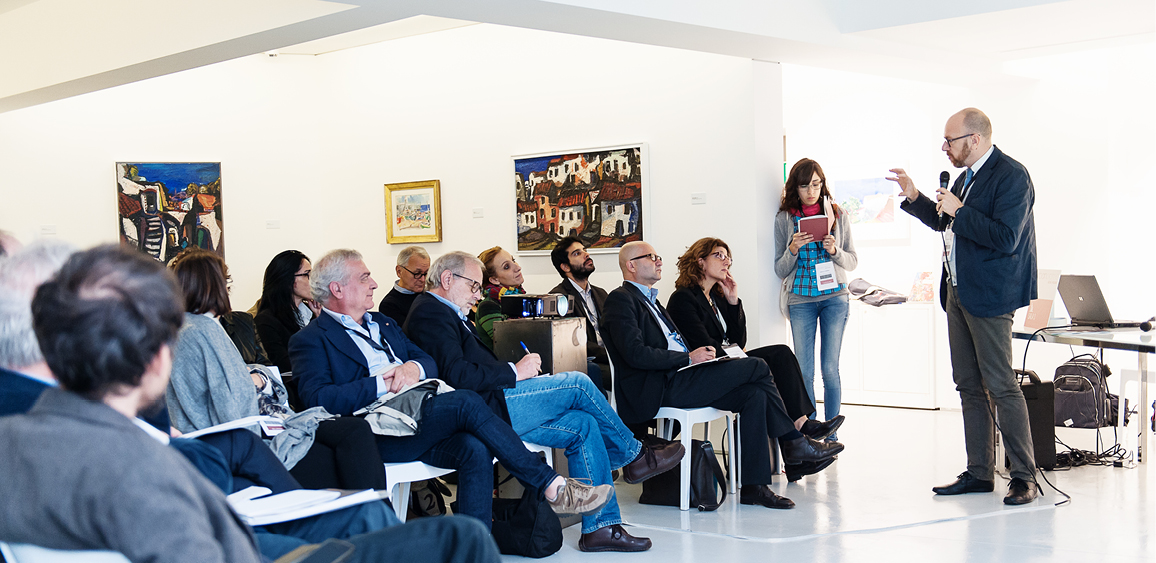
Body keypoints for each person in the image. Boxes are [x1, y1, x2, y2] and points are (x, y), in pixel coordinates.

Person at [0, 244, 503, 563]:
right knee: (462, 538)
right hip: (244, 541)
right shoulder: (133, 462)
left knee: (373, 514)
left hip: (231, 518)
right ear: (154, 358)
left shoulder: (19, 438)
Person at [288, 248, 615, 530]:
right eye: (364, 278)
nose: (374, 283)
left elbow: (428, 362)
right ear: (337, 288)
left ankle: (476, 549)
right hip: (379, 431)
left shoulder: (382, 323)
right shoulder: (310, 339)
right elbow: (318, 399)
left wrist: (412, 369)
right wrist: (380, 382)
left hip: (422, 413)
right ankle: (552, 485)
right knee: (468, 401)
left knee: (475, 448)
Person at [405, 250, 686, 552]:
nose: (478, 294)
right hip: (485, 410)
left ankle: (601, 527)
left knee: (584, 424)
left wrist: (517, 373)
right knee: (578, 383)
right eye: (474, 285)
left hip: (497, 403)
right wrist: (514, 371)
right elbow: (456, 374)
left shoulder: (449, 313)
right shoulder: (431, 312)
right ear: (448, 279)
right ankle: (633, 456)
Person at [601, 241, 845, 509]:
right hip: (661, 385)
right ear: (631, 265)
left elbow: (735, 341)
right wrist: (688, 358)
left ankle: (754, 487)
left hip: (682, 375)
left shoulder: (652, 301)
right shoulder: (620, 299)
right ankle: (794, 441)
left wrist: (727, 310)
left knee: (754, 394)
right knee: (758, 366)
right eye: (651, 257)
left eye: (658, 256)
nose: (659, 261)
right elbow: (634, 353)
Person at [886, 108, 1039, 505]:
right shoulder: (965, 178)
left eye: (950, 140)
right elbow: (945, 222)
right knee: (968, 385)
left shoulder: (1011, 176)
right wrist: (915, 197)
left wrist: (960, 211)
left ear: (975, 139)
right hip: (957, 289)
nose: (944, 147)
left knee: (1001, 385)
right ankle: (979, 472)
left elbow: (1006, 237)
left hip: (990, 293)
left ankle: (1025, 477)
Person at [167, 248, 387, 491]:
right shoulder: (204, 330)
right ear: (215, 285)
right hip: (241, 439)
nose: (228, 289)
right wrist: (259, 381)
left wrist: (257, 376)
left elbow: (229, 383)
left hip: (226, 437)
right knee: (351, 440)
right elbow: (232, 401)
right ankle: (376, 510)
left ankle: (373, 510)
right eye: (226, 282)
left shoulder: (182, 330)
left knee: (351, 432)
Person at [667, 237, 845, 481]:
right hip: (706, 371)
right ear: (700, 261)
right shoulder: (683, 298)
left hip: (726, 360)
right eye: (719, 255)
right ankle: (798, 440)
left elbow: (738, 340)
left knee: (780, 354)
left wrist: (732, 301)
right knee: (764, 365)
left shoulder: (716, 297)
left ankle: (800, 431)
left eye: (728, 257)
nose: (726, 261)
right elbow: (706, 346)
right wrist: (737, 356)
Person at [774, 158, 858, 439]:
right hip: (801, 300)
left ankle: (831, 435)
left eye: (816, 184)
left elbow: (852, 261)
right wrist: (792, 249)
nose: (811, 191)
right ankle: (810, 436)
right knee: (804, 371)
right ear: (794, 187)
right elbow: (780, 269)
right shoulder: (784, 219)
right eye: (804, 186)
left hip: (835, 298)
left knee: (830, 369)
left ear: (822, 185)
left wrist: (834, 251)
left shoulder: (838, 214)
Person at [476, 245, 604, 392]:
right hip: (511, 375)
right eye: (507, 267)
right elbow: (509, 342)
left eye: (514, 261)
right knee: (589, 371)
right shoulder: (489, 306)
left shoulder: (523, 299)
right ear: (494, 279)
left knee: (590, 369)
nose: (517, 267)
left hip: (532, 364)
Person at [549, 237, 611, 385]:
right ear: (565, 267)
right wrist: (611, 355)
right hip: (587, 363)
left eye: (585, 250)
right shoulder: (559, 298)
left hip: (610, 358)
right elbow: (573, 343)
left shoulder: (601, 293)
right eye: (577, 253)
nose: (586, 254)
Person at [256, 249, 322, 374]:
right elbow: (285, 367)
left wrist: (320, 319)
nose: (314, 281)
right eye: (307, 274)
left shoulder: (313, 313)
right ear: (287, 279)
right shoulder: (266, 321)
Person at [378, 245, 430, 327]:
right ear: (399, 271)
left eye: (426, 273)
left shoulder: (430, 293)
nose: (423, 279)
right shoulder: (389, 305)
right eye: (417, 273)